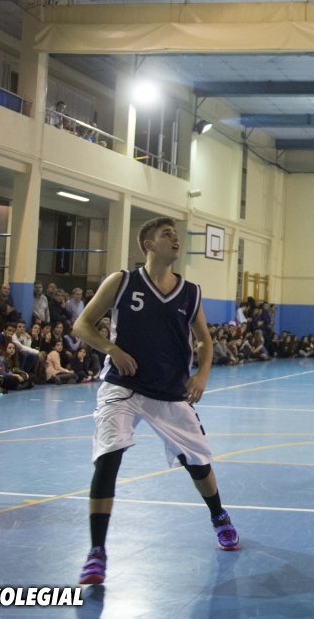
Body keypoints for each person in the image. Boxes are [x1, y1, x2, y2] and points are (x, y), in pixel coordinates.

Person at [72, 217, 239, 585]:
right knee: (108, 457)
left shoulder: (190, 292)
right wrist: (112, 349)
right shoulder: (121, 281)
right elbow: (82, 325)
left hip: (169, 390)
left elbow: (204, 341)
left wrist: (202, 375)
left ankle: (219, 515)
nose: (175, 239)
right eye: (167, 235)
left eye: (176, 235)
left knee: (198, 464)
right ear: (148, 244)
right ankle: (96, 552)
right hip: (123, 386)